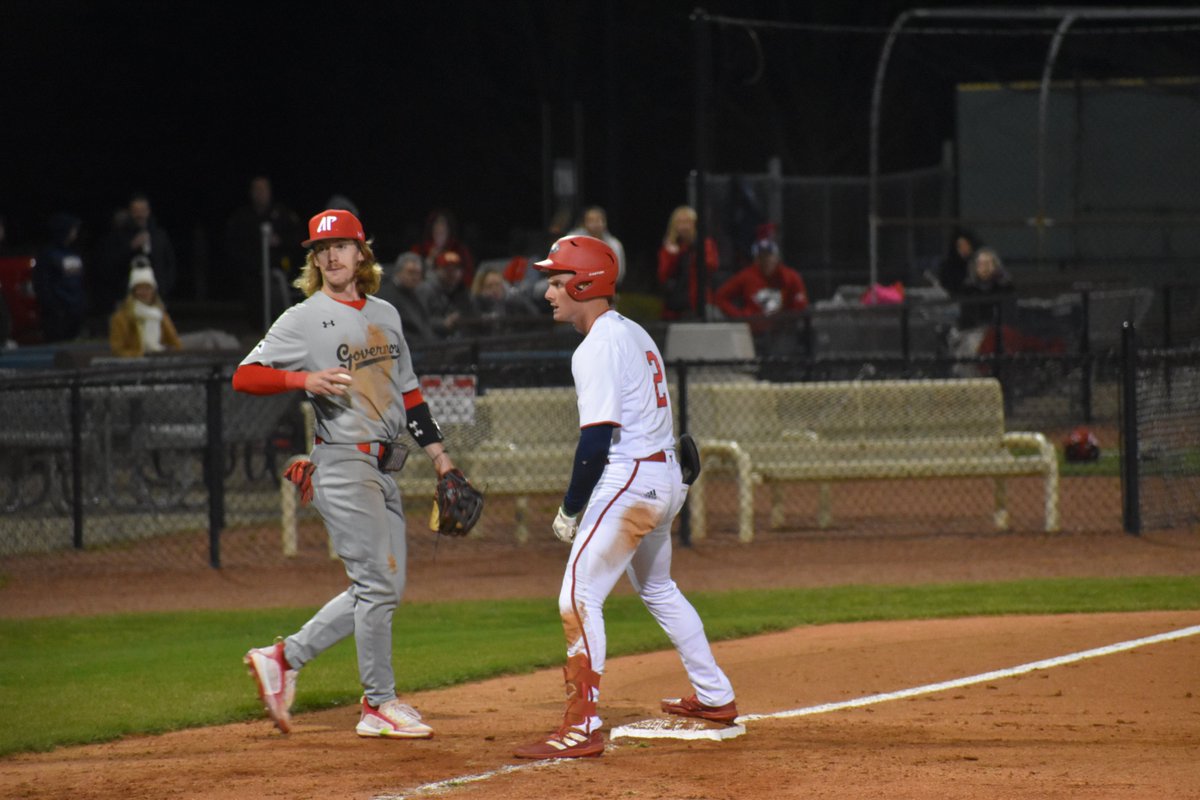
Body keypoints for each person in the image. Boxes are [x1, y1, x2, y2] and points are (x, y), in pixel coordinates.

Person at [234, 208, 473, 740]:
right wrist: (303, 379)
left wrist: (441, 457)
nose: (332, 255)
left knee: (384, 587)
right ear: (314, 260)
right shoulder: (303, 316)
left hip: (384, 466)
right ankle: (378, 704)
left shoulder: (387, 313)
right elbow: (244, 376)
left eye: (342, 245)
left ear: (361, 253)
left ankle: (283, 657)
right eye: (322, 249)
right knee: (376, 584)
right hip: (341, 460)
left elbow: (410, 395)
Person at [513, 235, 737, 760]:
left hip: (632, 481)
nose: (548, 289)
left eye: (556, 278)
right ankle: (715, 696)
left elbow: (595, 440)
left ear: (585, 282)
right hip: (664, 480)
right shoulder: (633, 332)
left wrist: (571, 506)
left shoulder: (596, 346)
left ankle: (581, 725)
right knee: (658, 589)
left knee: (577, 597)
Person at [224, 175, 303, 320]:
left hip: (278, 274)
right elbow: (234, 245)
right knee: (255, 315)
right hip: (252, 276)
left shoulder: (282, 214)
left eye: (263, 189)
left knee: (281, 312)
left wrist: (280, 240)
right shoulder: (243, 217)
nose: (260, 193)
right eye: (256, 189)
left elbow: (297, 238)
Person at [98, 193, 178, 311]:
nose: (140, 215)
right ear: (129, 212)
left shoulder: (159, 235)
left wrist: (164, 287)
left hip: (156, 297)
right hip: (126, 298)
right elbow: (109, 265)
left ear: (148, 211)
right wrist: (131, 247)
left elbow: (169, 264)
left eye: (143, 210)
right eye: (136, 211)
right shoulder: (118, 236)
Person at [714, 237, 808, 320]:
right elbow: (720, 297)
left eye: (769, 256)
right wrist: (739, 316)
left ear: (777, 258)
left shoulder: (790, 276)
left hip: (782, 332)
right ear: (756, 260)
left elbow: (801, 305)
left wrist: (786, 319)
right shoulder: (747, 276)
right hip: (755, 331)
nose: (766, 261)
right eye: (761, 257)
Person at [108, 258, 183, 357]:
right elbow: (117, 350)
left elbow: (176, 344)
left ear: (153, 291)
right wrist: (139, 354)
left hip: (159, 362)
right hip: (131, 366)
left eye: (147, 288)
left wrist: (164, 351)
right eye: (139, 288)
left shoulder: (160, 315)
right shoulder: (121, 318)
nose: (144, 293)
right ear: (133, 292)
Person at [657, 205, 719, 320]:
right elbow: (663, 276)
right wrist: (673, 254)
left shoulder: (704, 244)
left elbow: (711, 266)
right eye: (680, 222)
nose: (684, 226)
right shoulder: (669, 248)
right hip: (676, 306)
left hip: (700, 303)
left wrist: (695, 248)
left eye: (688, 222)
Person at [33, 213, 87, 342]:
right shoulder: (48, 255)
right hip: (58, 314)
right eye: (73, 229)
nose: (75, 233)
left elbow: (79, 281)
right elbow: (42, 283)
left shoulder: (74, 252)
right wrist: (54, 307)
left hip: (75, 310)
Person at [375, 251, 435, 343]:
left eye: (418, 273)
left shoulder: (417, 293)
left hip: (424, 347)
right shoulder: (386, 295)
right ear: (398, 272)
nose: (415, 277)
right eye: (411, 272)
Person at [410, 208, 475, 289]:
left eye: (444, 225)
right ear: (431, 229)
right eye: (437, 225)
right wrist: (430, 260)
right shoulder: (419, 249)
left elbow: (469, 278)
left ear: (449, 230)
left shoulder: (460, 250)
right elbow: (412, 275)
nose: (440, 228)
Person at [417, 250, 476, 339]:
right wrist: (443, 323)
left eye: (455, 269)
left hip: (458, 342)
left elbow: (472, 316)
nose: (452, 273)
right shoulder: (425, 289)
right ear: (436, 270)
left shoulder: (462, 290)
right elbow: (418, 319)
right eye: (447, 269)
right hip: (430, 343)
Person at [467, 266, 540, 335]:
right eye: (489, 286)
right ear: (480, 288)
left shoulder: (516, 302)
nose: (494, 289)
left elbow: (535, 318)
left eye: (497, 284)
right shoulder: (476, 308)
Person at [567, 205, 626, 287]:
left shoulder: (614, 245)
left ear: (605, 222)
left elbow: (618, 274)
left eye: (598, 220)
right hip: (575, 284)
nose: (595, 224)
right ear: (584, 224)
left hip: (604, 287)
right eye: (591, 220)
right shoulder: (572, 240)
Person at [937, 228, 982, 296]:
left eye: (966, 245)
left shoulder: (981, 263)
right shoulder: (948, 267)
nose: (964, 249)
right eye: (960, 246)